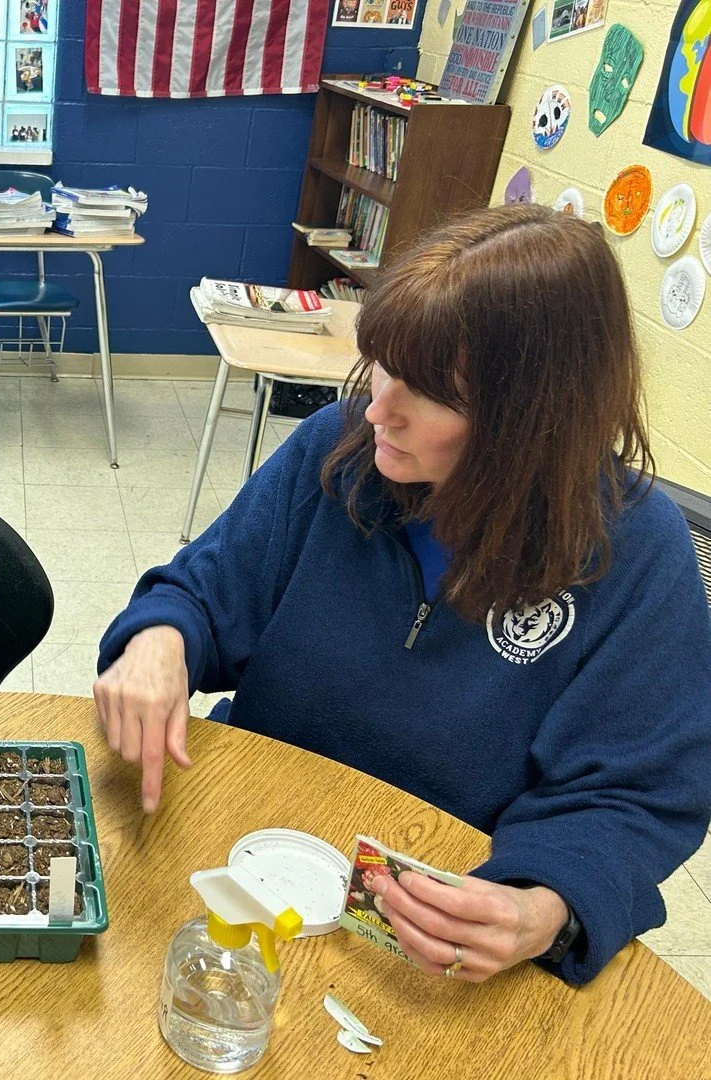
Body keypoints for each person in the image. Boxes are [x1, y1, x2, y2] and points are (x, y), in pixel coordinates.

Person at [94, 205, 711, 987]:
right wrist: (160, 643)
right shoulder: (341, 447)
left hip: (432, 924)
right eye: (382, 362)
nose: (379, 406)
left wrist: (540, 905)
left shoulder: (636, 552)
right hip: (257, 837)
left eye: (431, 392)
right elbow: (204, 592)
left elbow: (634, 797)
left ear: (536, 420)